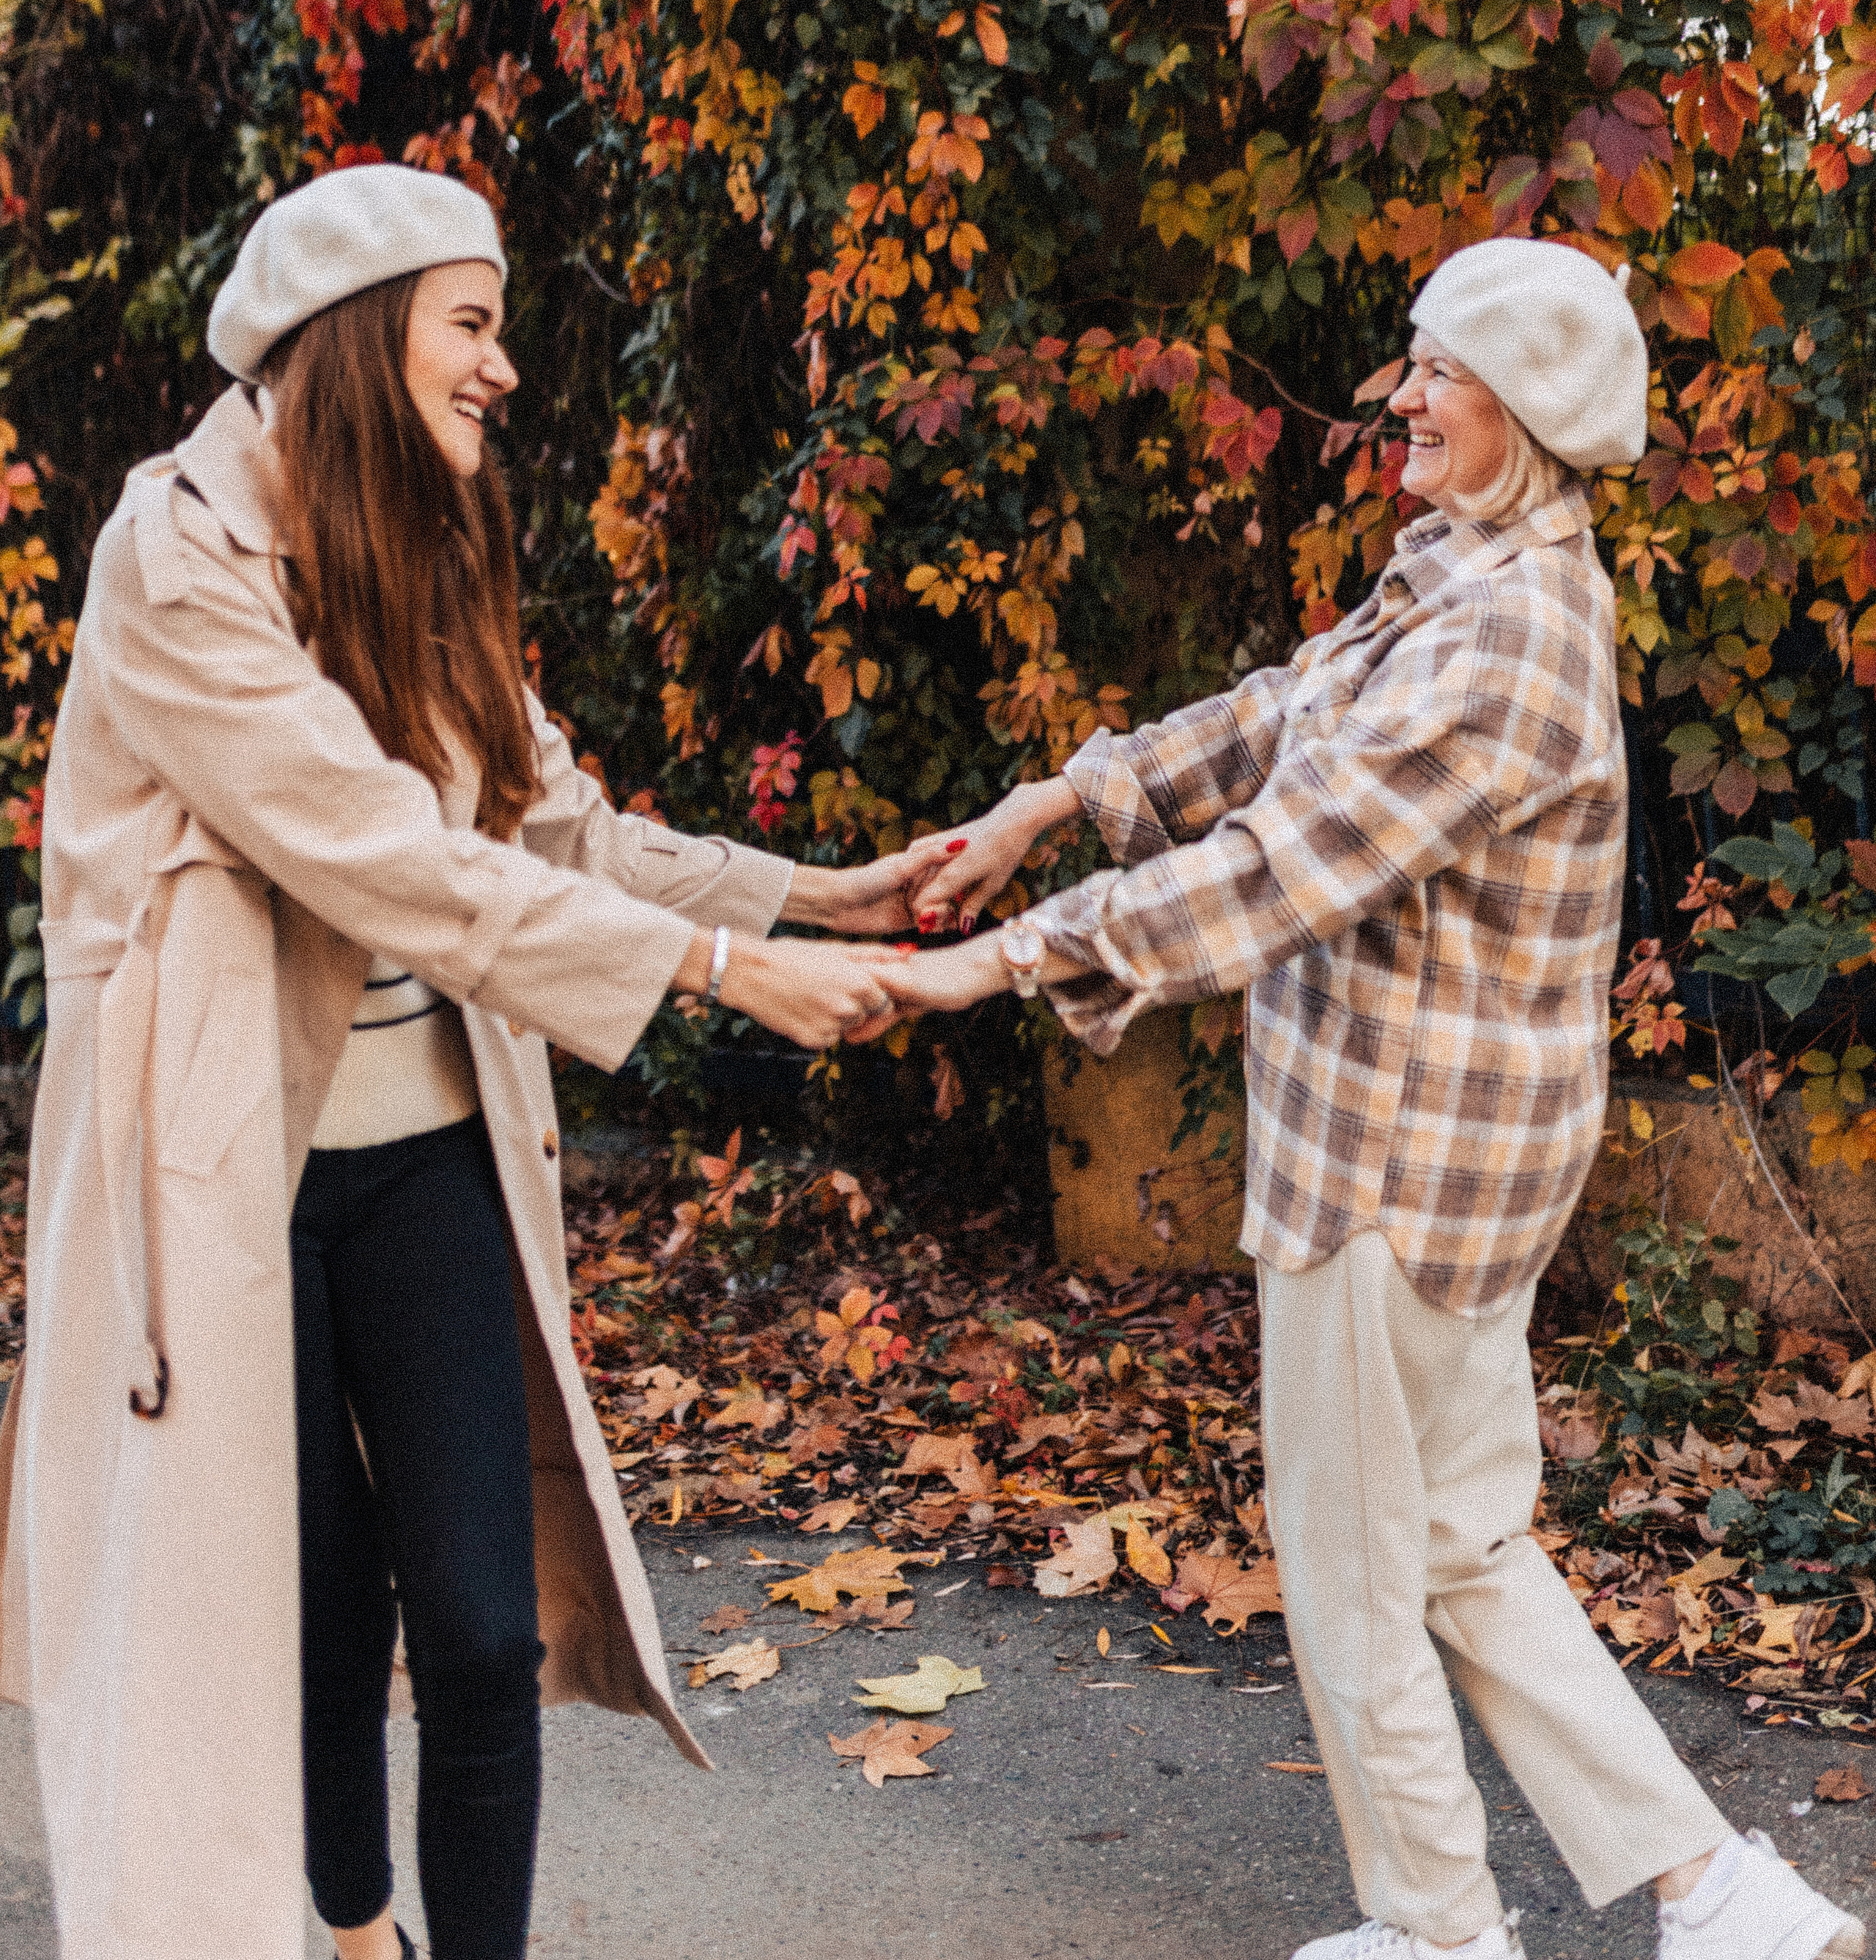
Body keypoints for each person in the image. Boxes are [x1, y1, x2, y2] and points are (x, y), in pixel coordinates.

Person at [870, 238, 1863, 1960]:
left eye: (1439, 369)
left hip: (1393, 1164)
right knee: (1461, 1541)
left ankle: (1436, 1930)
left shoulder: (1507, 639)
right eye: (1414, 359)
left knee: (1347, 1562)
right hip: (1437, 1150)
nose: (1402, 395)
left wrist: (997, 964)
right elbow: (1282, 718)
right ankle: (1718, 1895)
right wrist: (1059, 799)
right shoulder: (1464, 575)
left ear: (1523, 407)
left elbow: (1285, 863)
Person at [0, 165, 915, 1960]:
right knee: (315, 1622)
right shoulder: (172, 558)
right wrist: (721, 975)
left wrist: (814, 896)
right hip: (226, 1183)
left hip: (426, 1155)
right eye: (472, 324)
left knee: (485, 1635)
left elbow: (545, 824)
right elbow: (380, 853)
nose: (504, 366)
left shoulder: (422, 539)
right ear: (355, 333)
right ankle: (357, 1936)